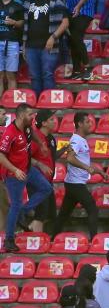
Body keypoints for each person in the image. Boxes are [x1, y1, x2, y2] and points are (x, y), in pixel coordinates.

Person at [0, 103, 52, 252]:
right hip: (14, 174)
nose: (33, 117)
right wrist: (15, 170)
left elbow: (33, 133)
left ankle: (23, 210)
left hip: (27, 169)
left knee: (46, 188)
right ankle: (9, 240)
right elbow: (1, 156)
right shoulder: (10, 133)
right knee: (15, 205)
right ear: (22, 115)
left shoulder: (27, 127)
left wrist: (40, 144)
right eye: (30, 115)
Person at [53, 112, 108, 239]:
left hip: (73, 183)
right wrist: (87, 168)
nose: (90, 124)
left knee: (64, 214)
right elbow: (70, 158)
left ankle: (52, 239)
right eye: (87, 122)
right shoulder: (76, 140)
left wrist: (100, 172)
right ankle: (94, 241)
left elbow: (82, 161)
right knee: (92, 210)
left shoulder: (80, 140)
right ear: (79, 124)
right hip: (75, 184)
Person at [29, 109, 65, 233]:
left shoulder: (51, 138)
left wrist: (65, 149)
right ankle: (34, 238)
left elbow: (52, 157)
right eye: (51, 119)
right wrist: (40, 165)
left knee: (50, 214)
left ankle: (39, 238)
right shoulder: (35, 138)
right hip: (37, 182)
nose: (54, 122)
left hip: (48, 182)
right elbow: (27, 158)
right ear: (44, 123)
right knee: (41, 213)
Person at [0, 0, 22, 96]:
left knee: (10, 74)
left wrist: (14, 23)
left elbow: (23, 23)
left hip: (12, 42)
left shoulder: (18, 4)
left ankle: (10, 103)